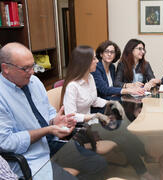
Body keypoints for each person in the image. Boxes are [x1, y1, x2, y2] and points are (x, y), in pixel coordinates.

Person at [0, 43, 106, 180]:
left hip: (50, 143)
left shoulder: (34, 82)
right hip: (31, 157)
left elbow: (48, 110)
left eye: (33, 66)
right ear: (6, 68)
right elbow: (6, 143)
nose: (32, 72)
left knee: (99, 163)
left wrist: (54, 120)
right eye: (25, 68)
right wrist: (47, 130)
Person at [62, 45, 155, 180]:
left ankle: (142, 170)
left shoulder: (90, 78)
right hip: (80, 130)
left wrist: (110, 103)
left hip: (92, 125)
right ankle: (145, 157)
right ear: (84, 62)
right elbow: (70, 116)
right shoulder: (72, 86)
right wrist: (94, 115)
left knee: (122, 135)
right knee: (123, 127)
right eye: (94, 59)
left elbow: (94, 100)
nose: (97, 61)